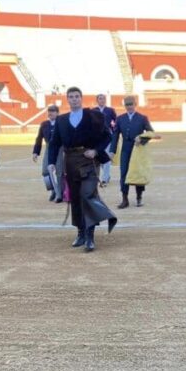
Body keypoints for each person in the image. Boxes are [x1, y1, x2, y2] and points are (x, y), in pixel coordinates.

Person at [48, 87, 117, 252]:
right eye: (71, 97)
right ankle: (80, 232)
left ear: (81, 98)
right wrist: (51, 161)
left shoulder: (93, 116)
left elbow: (108, 136)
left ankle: (90, 235)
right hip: (70, 161)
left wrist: (95, 151)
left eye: (77, 96)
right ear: (67, 99)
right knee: (76, 198)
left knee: (87, 195)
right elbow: (54, 142)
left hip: (89, 161)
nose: (74, 99)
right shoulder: (62, 120)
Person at [109, 96, 155, 209]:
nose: (129, 106)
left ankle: (139, 197)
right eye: (127, 104)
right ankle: (125, 199)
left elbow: (151, 132)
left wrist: (142, 139)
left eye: (131, 104)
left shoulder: (142, 118)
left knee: (138, 173)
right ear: (124, 106)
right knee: (124, 173)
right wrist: (112, 151)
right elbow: (115, 136)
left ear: (135, 104)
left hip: (138, 150)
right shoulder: (120, 119)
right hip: (125, 150)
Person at [32, 104, 62, 202]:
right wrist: (36, 152)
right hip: (49, 148)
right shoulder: (44, 124)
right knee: (45, 171)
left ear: (57, 113)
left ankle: (59, 194)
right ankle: (53, 190)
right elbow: (39, 138)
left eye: (53, 111)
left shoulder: (62, 122)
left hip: (60, 148)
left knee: (59, 172)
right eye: (49, 111)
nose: (50, 113)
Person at [92, 94, 117, 187]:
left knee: (106, 157)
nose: (102, 100)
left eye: (103, 99)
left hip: (107, 136)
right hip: (96, 137)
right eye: (100, 99)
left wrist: (113, 131)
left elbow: (116, 121)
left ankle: (105, 178)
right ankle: (107, 175)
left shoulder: (110, 110)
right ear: (97, 100)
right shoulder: (93, 111)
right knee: (99, 157)